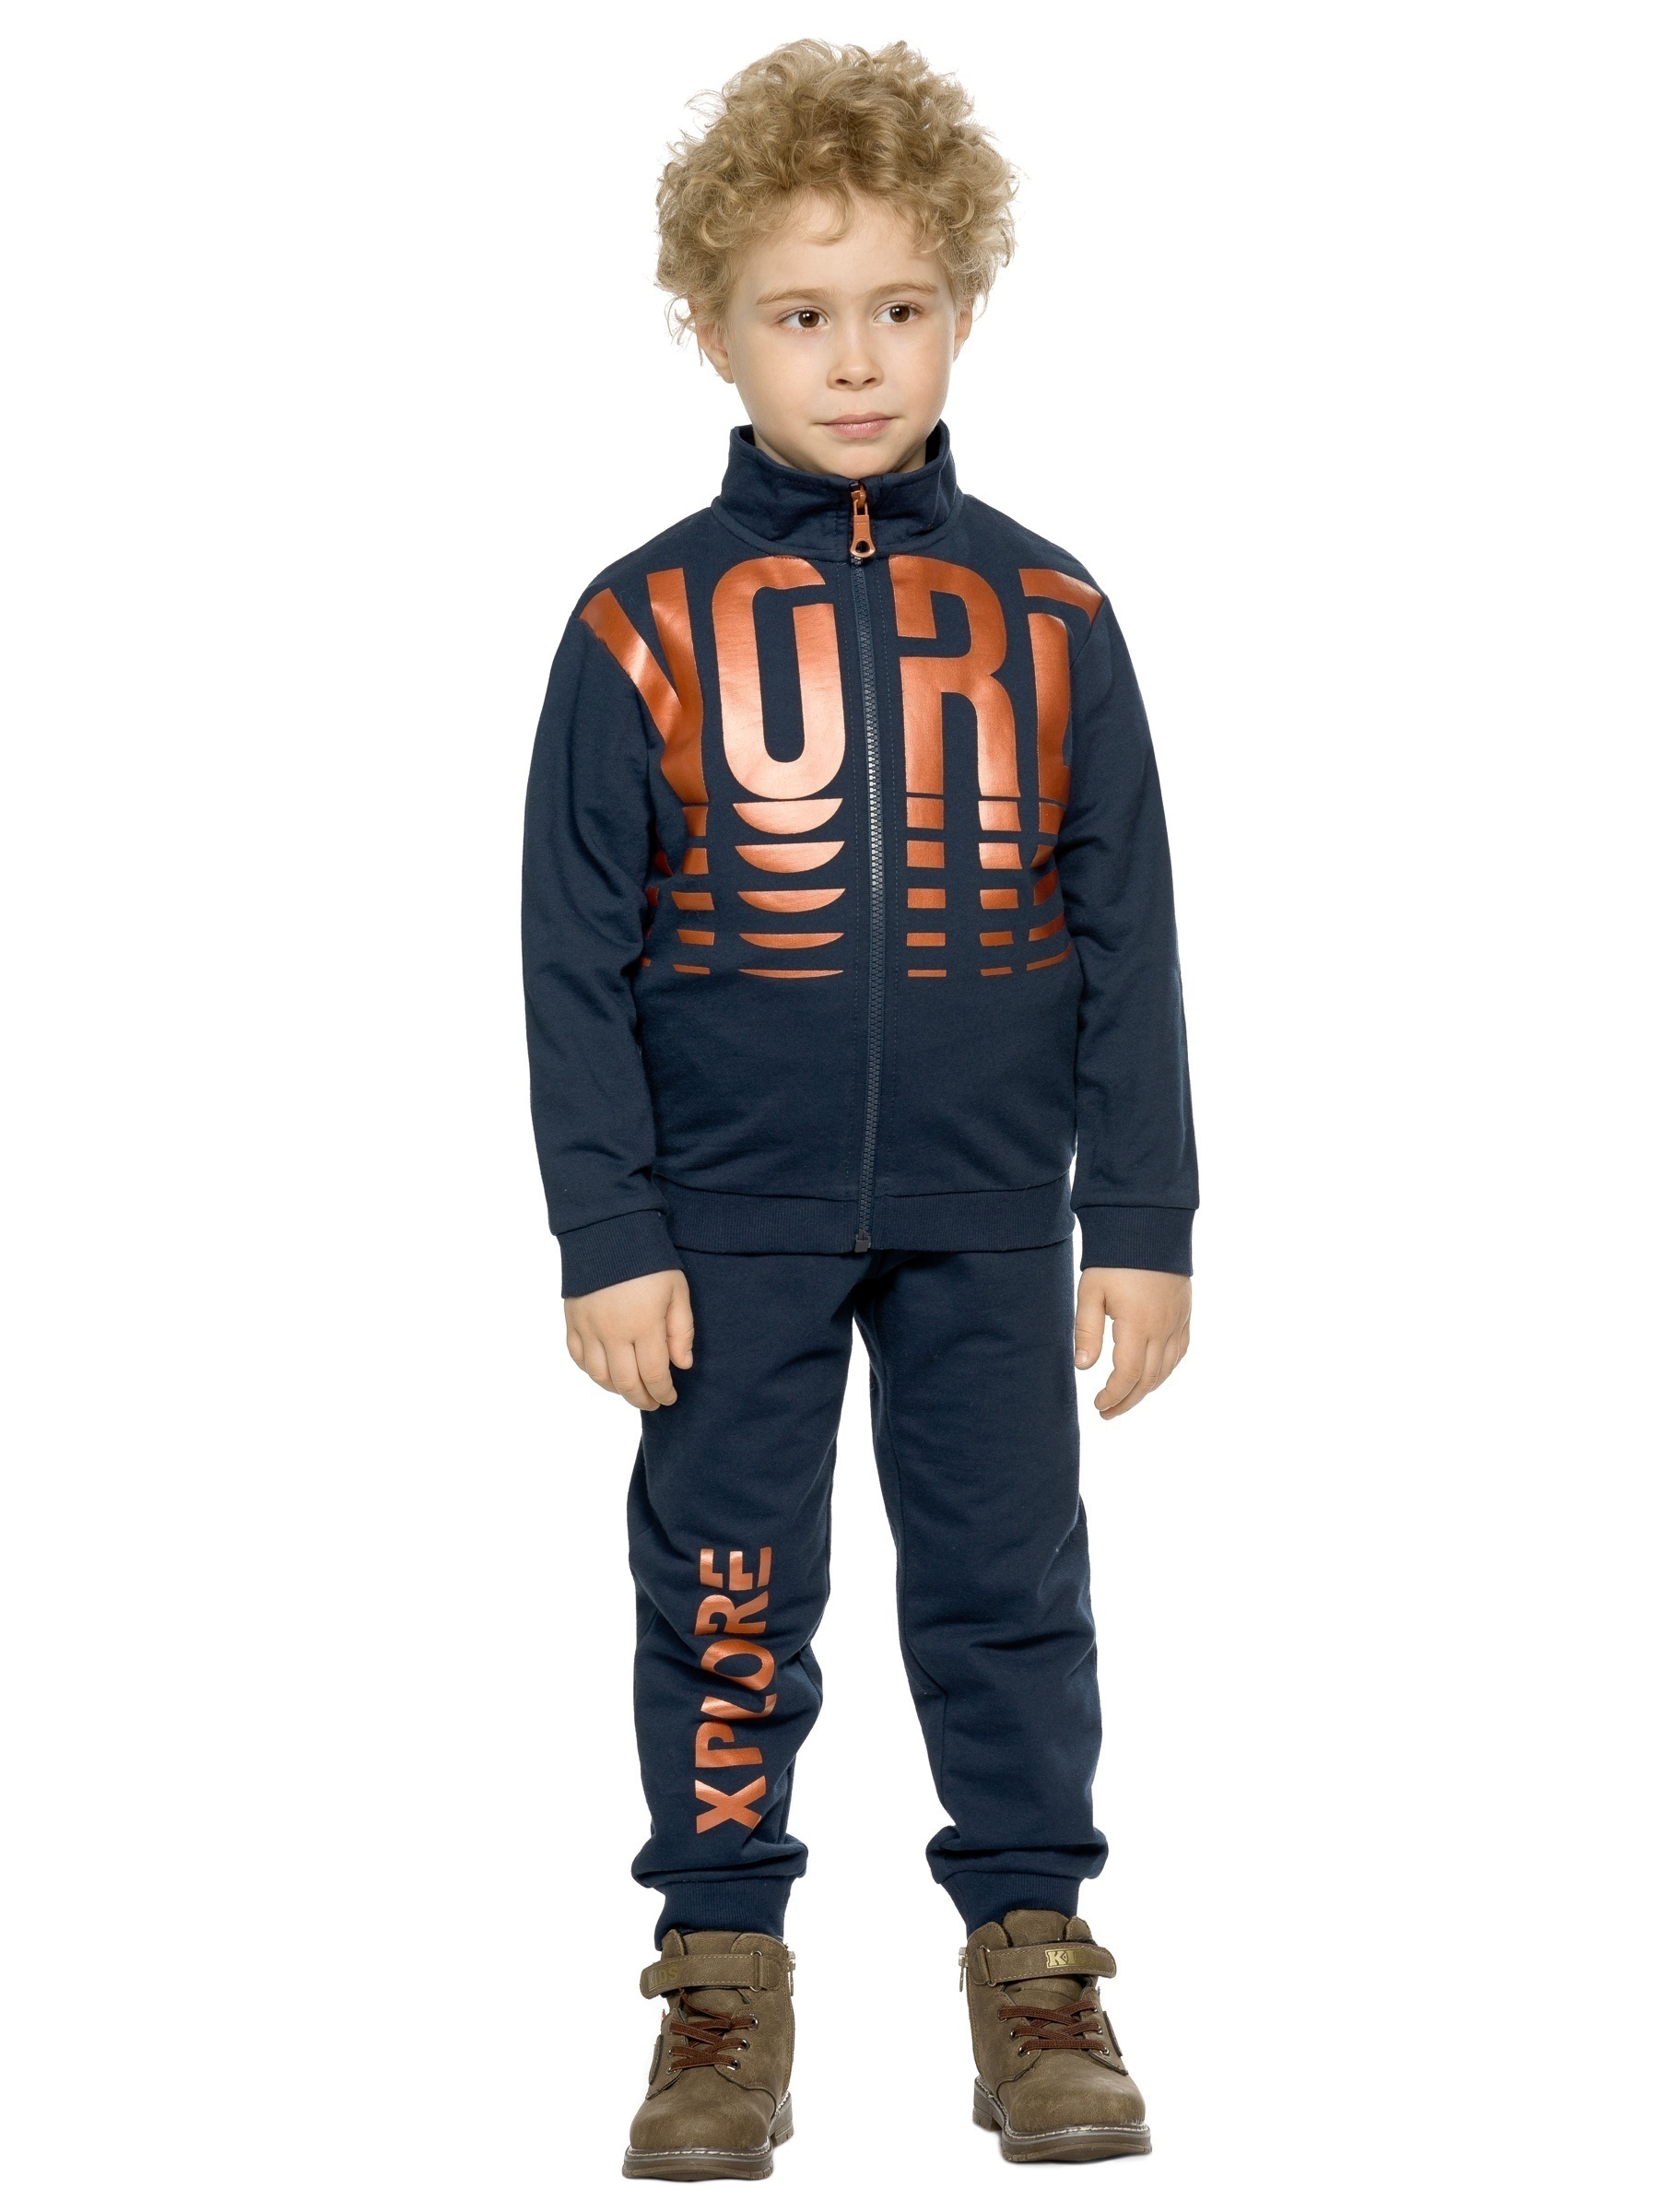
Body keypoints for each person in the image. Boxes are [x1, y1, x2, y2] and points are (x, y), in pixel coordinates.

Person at [521, 38, 1197, 2177]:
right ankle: (721, 1983)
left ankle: (1037, 1961)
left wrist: (1143, 1217)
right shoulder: (637, 627)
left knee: (1011, 1591)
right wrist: (609, 1231)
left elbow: (1128, 924)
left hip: (996, 1215)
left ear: (964, 309)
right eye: (799, 312)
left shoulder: (1054, 613)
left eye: (899, 305)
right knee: (729, 1598)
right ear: (710, 326)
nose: (854, 357)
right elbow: (570, 955)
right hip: (723, 1223)